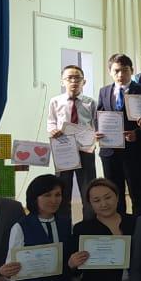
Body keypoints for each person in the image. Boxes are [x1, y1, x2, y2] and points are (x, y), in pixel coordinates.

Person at [97, 53, 141, 215]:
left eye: (124, 70)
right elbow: (99, 117)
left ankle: (139, 228)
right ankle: (119, 226)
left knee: (138, 193)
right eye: (116, 71)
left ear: (132, 70)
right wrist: (97, 132)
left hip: (135, 152)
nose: (120, 74)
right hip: (110, 152)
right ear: (110, 72)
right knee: (113, 194)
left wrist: (138, 133)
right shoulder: (104, 91)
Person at [47, 64, 97, 214]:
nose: (74, 81)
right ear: (62, 81)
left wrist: (96, 136)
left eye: (77, 78)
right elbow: (51, 122)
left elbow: (96, 124)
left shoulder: (90, 102)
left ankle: (89, 223)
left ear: (84, 82)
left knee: (88, 188)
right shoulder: (55, 101)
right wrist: (52, 130)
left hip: (85, 150)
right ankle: (63, 224)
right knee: (62, 189)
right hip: (63, 149)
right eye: (69, 78)